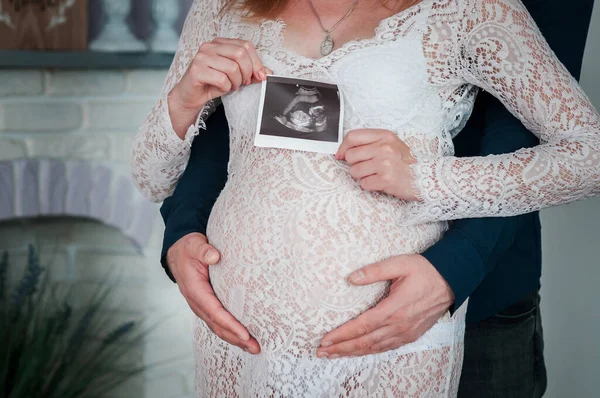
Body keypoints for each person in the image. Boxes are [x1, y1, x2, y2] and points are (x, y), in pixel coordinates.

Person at [131, 0, 600, 396]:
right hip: (239, 335)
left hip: (399, 331)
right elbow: (156, 177)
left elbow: (588, 156)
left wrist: (425, 180)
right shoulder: (224, 7)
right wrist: (182, 103)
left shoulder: (469, 9)